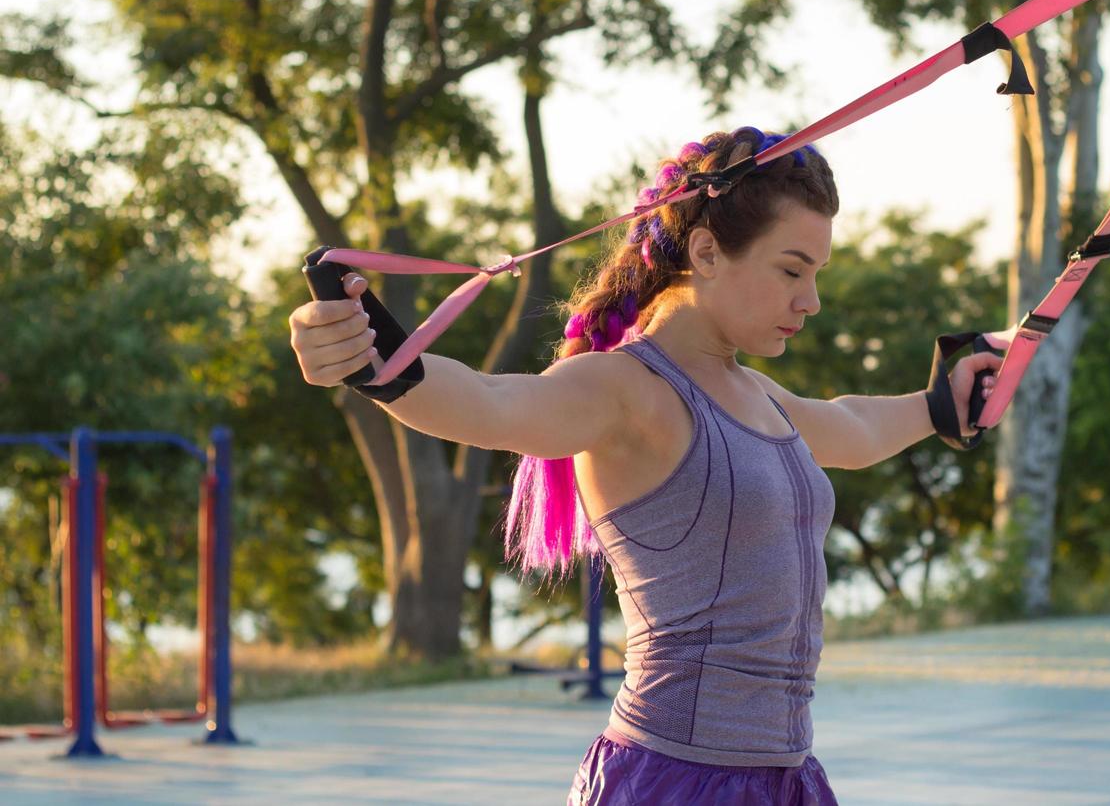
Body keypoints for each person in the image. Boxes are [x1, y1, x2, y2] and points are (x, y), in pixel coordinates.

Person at [287, 126, 1004, 804]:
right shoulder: (627, 389)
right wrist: (377, 362)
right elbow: (492, 404)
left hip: (783, 778)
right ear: (707, 252)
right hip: (671, 781)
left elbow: (849, 424)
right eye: (792, 270)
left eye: (814, 273)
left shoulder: (758, 395)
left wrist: (944, 401)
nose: (809, 301)